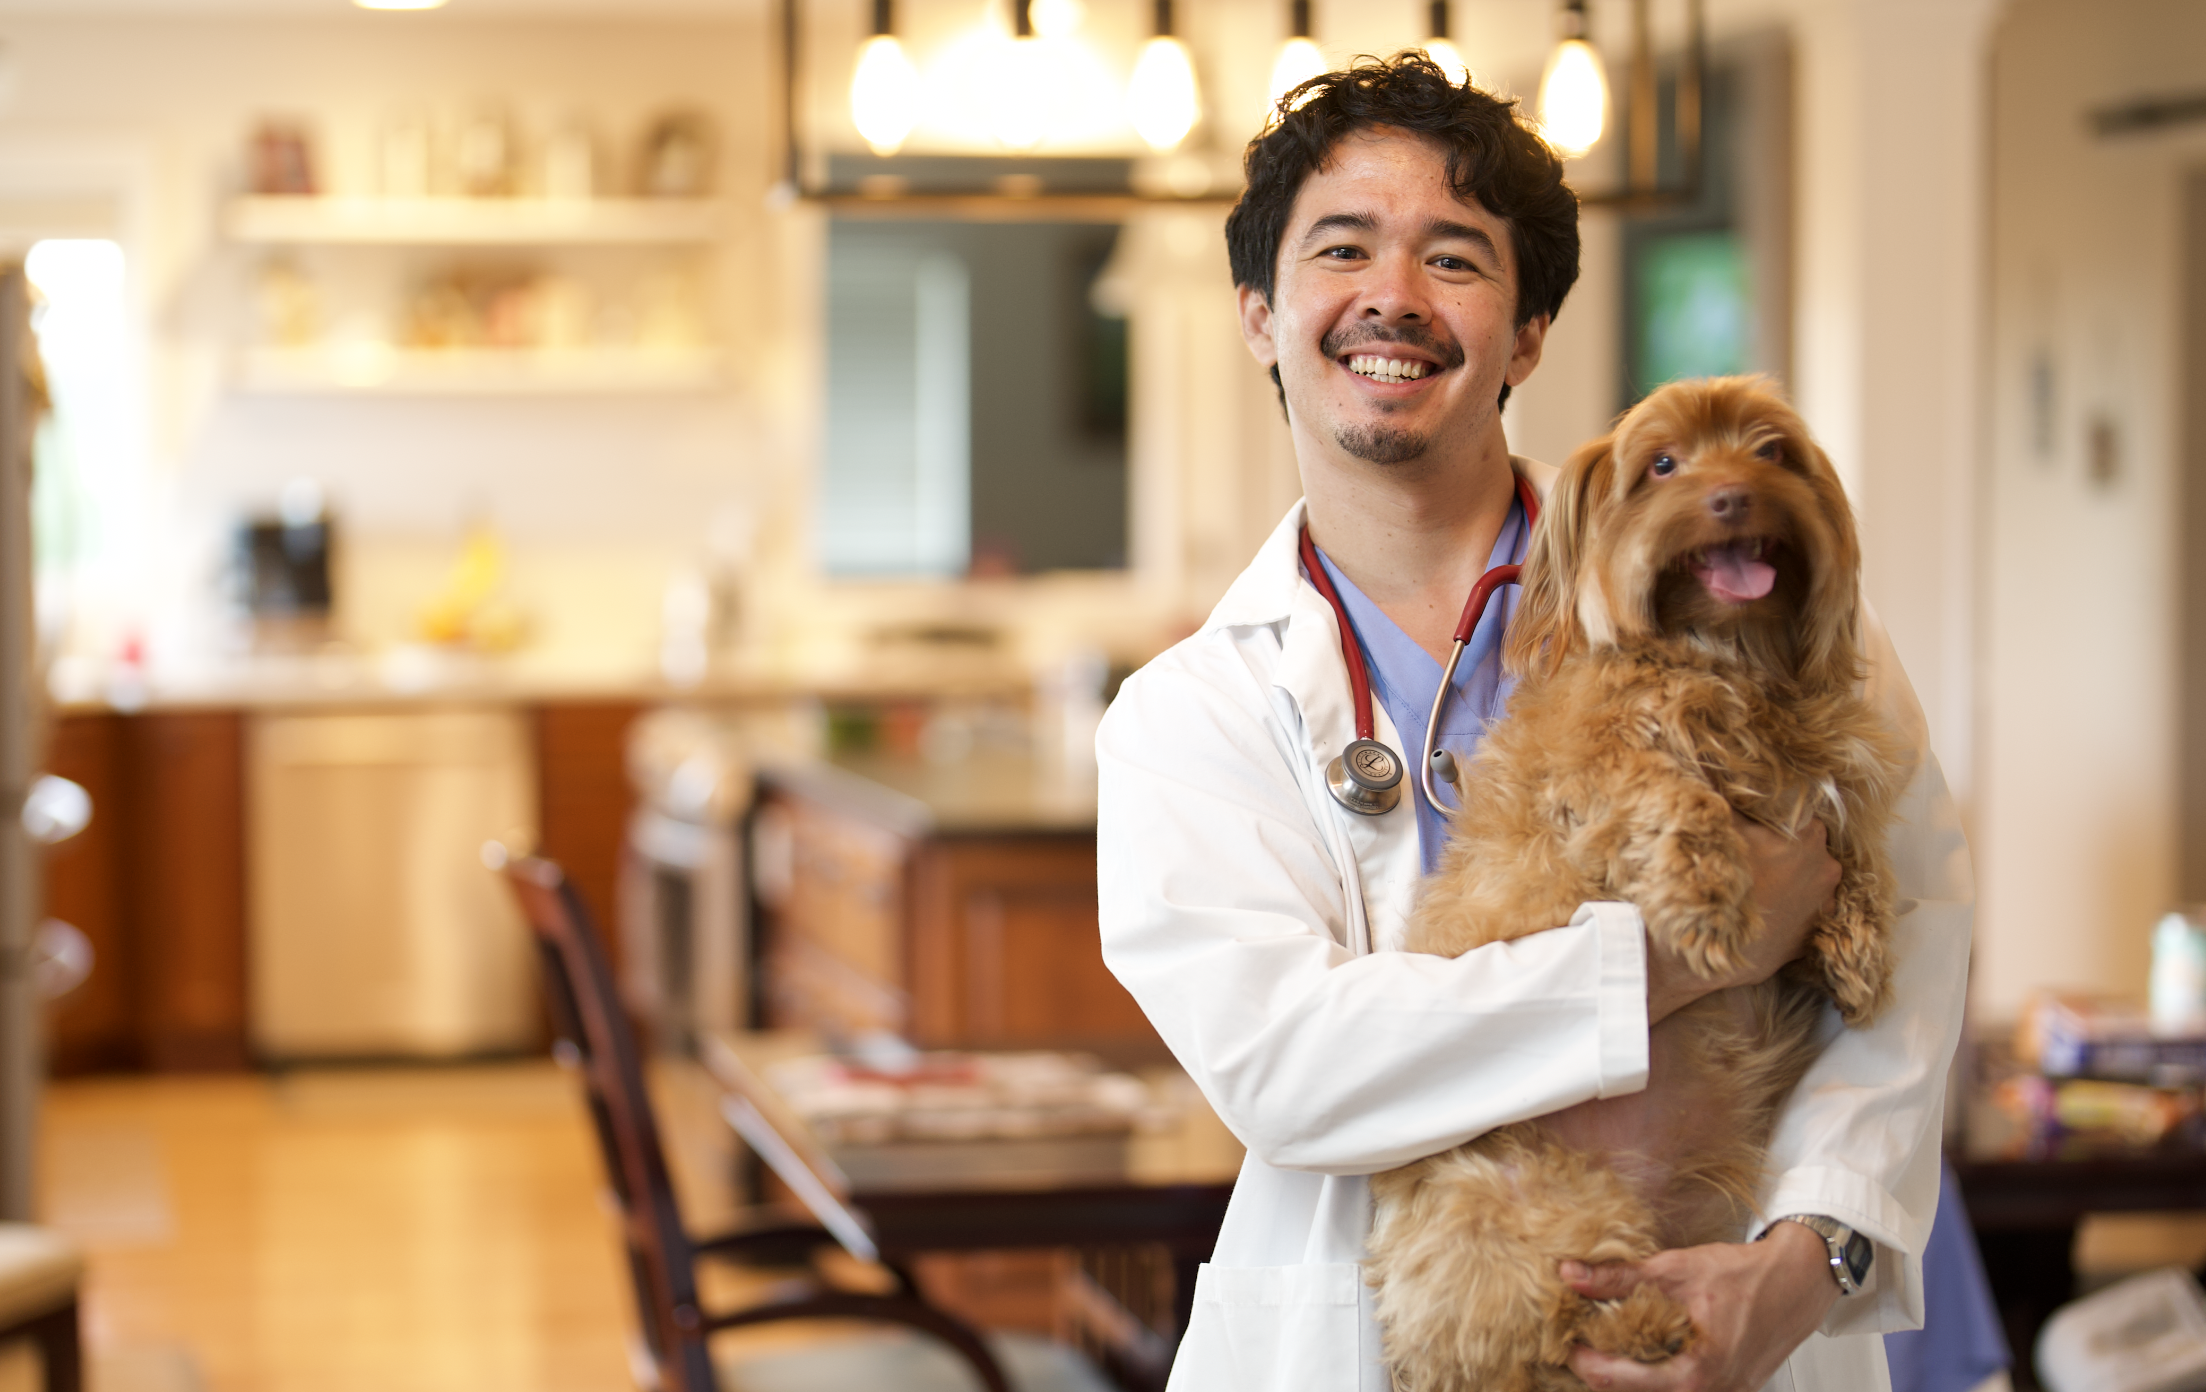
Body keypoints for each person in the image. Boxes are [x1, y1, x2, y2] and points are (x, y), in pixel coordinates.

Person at [1094, 54, 1973, 1392]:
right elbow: (1292, 1072)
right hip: (1366, 1336)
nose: (1392, 294)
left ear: (1528, 332)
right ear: (1260, 314)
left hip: (1724, 1319)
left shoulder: (1761, 602)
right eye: (1342, 249)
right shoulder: (1184, 717)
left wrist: (1803, 1268)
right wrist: (1689, 955)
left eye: (1453, 258)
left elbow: (1911, 951)